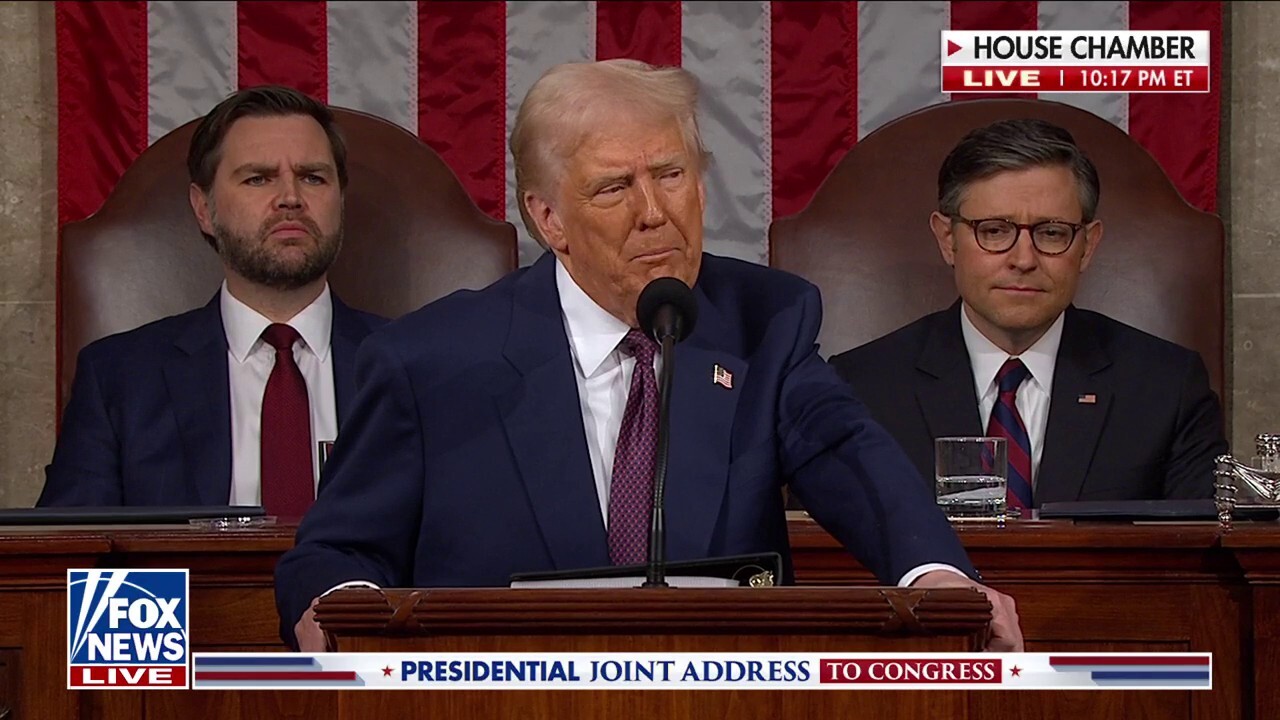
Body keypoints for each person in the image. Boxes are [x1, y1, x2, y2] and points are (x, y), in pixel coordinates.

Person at [274, 60, 1021, 652]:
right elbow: (334, 553)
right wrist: (349, 615)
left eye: (671, 174)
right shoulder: (430, 360)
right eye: (612, 187)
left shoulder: (765, 322)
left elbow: (848, 455)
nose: (654, 211)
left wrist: (940, 580)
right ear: (548, 218)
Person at [829, 118, 1227, 512]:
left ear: (1087, 246)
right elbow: (824, 554)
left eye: (1052, 233)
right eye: (995, 231)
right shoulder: (862, 388)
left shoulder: (1166, 386)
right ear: (948, 240)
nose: (1023, 259)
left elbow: (1197, 560)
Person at [38, 86, 387, 516]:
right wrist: (185, 588)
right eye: (258, 178)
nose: (291, 198)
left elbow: (456, 557)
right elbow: (75, 570)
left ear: (340, 201)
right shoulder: (118, 379)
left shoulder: (414, 365)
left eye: (313, 176)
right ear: (203, 208)